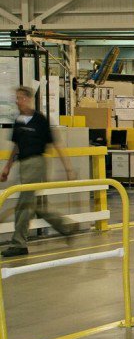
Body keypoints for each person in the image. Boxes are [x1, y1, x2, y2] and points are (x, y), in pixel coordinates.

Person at [1, 86, 75, 257]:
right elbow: (16, 146)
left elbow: (56, 143)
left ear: (27, 99)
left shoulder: (40, 120)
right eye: (16, 98)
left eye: (20, 98)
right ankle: (65, 226)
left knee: (23, 204)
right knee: (36, 205)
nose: (17, 101)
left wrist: (68, 168)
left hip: (36, 163)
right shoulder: (19, 121)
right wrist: (7, 166)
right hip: (23, 164)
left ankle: (19, 243)